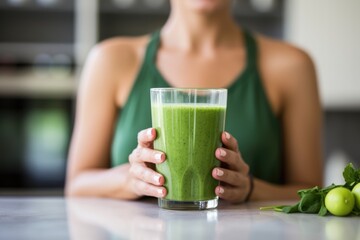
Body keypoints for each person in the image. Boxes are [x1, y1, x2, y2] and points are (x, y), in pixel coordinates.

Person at [65, 0, 323, 203]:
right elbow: (77, 185)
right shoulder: (110, 60)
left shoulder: (291, 66)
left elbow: (312, 190)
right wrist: (130, 180)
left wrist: (251, 189)